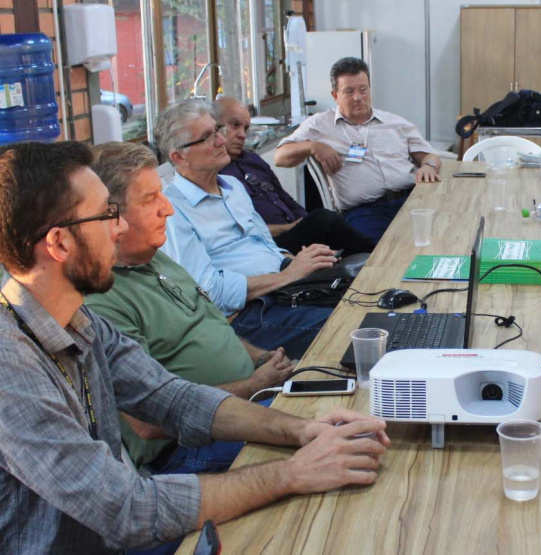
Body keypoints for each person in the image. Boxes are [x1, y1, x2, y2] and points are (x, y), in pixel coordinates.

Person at [0, 141, 389, 554]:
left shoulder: (79, 320)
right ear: (59, 244)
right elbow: (126, 509)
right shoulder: (11, 367)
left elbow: (173, 398)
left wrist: (302, 430)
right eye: (106, 214)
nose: (118, 227)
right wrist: (292, 473)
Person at [84, 142, 298, 477]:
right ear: (112, 216)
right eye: (150, 198)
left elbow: (211, 324)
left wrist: (261, 358)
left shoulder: (155, 257)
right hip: (187, 449)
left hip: (247, 402)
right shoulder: (101, 300)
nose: (167, 209)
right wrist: (254, 385)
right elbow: (149, 424)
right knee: (325, 432)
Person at [157, 99, 335, 359]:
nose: (220, 140)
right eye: (206, 137)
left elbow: (264, 244)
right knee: (353, 325)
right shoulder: (173, 211)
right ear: (178, 156)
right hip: (250, 313)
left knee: (366, 290)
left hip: (285, 288)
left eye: (217, 130)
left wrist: (295, 262)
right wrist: (289, 275)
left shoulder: (232, 185)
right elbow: (208, 292)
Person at [274, 57, 442, 242]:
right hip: (365, 211)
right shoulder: (320, 125)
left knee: (444, 234)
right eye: (349, 91)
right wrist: (313, 146)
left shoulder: (395, 123)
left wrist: (429, 166)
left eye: (363, 89)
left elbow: (429, 155)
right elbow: (280, 157)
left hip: (411, 199)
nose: (358, 97)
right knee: (376, 256)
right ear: (335, 95)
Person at [213, 97, 376, 256]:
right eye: (235, 125)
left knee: (325, 223)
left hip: (295, 231)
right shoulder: (215, 173)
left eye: (246, 128)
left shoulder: (252, 160)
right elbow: (241, 229)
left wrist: (306, 221)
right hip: (268, 243)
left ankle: (373, 259)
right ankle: (378, 256)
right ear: (215, 127)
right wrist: (292, 227)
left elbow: (284, 198)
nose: (242, 135)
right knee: (324, 220)